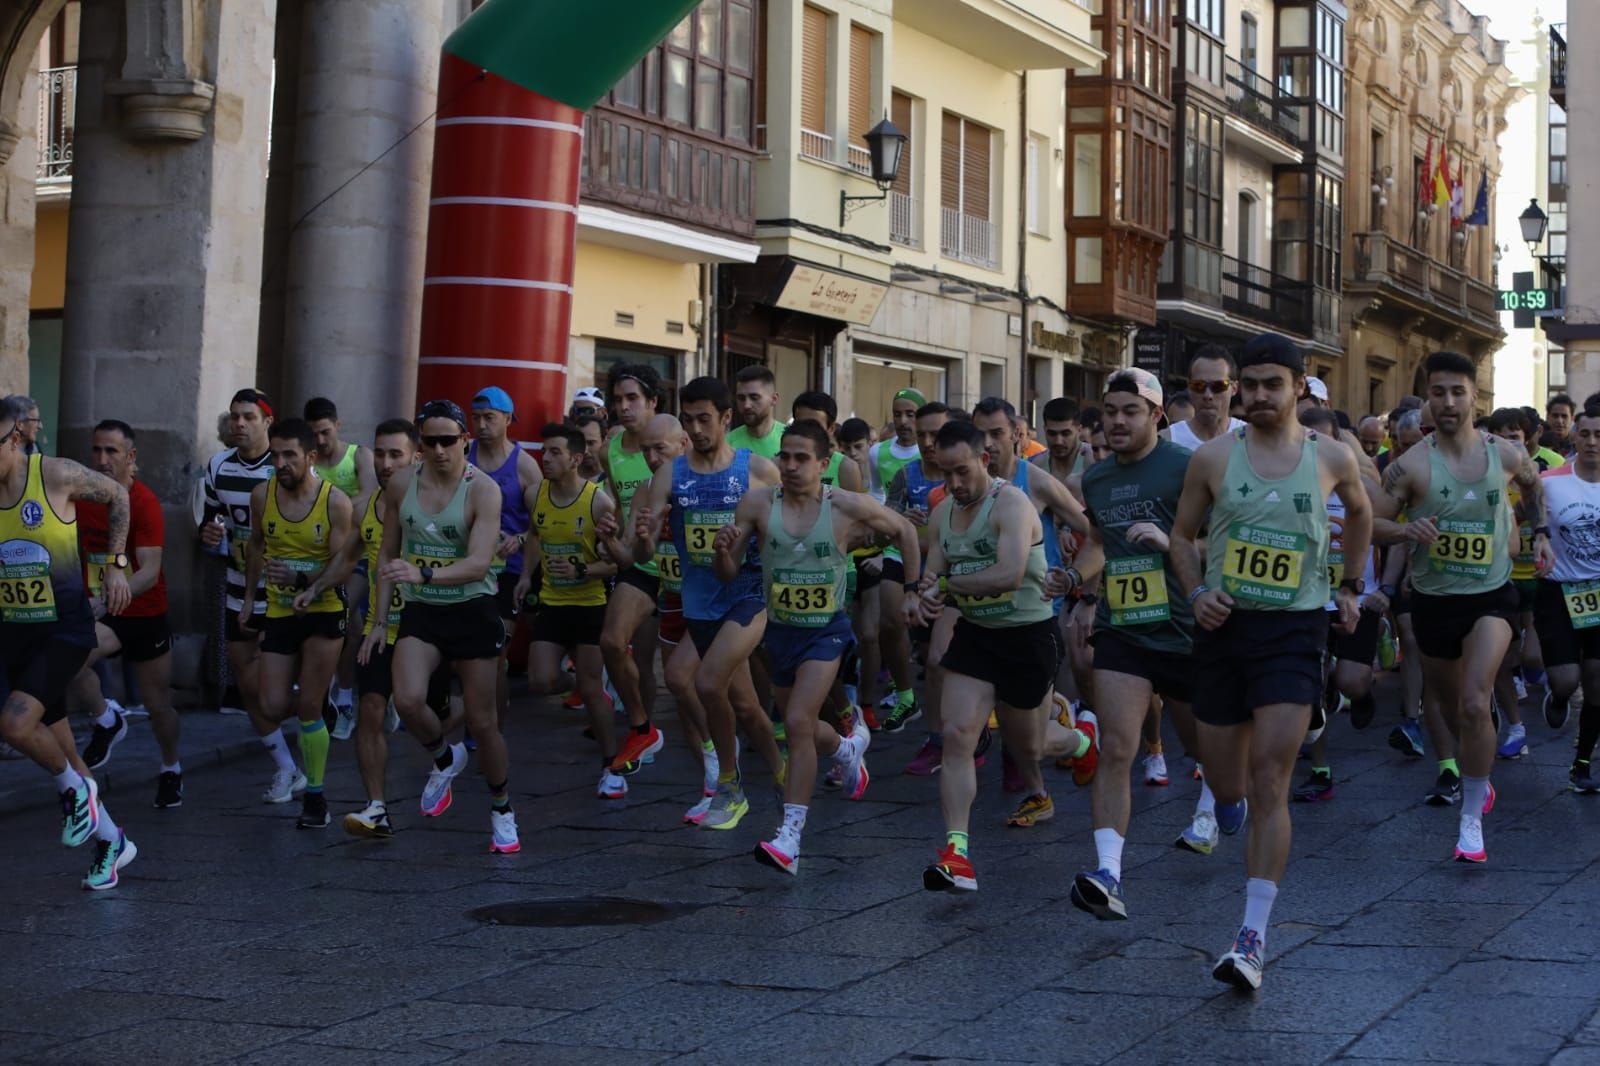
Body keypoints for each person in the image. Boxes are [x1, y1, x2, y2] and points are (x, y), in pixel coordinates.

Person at [1170, 331, 1371, 991]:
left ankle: (1252, 938)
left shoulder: (1332, 456)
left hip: (1294, 630)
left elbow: (1364, 514)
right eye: (1246, 386)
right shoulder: (1212, 458)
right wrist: (1197, 591)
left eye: (1269, 384)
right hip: (1226, 630)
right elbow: (1181, 536)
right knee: (1229, 786)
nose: (1256, 396)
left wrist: (1348, 586)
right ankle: (1224, 806)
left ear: (1299, 387)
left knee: (1271, 777)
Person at [718, 420, 917, 873]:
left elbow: (905, 531)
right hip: (780, 631)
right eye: (784, 456)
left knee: (795, 720)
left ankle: (790, 837)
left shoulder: (846, 506)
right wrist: (722, 550)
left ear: (824, 464)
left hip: (827, 630)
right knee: (806, 728)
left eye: (801, 458)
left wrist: (911, 588)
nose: (789, 465)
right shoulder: (756, 504)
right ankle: (848, 750)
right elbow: (728, 573)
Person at [1373, 351, 1545, 862]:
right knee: (1446, 706)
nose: (1448, 402)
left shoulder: (1506, 455)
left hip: (1492, 598)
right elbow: (1373, 525)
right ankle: (1476, 778)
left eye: (1457, 392)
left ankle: (1471, 816)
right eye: (1439, 392)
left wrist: (1543, 536)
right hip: (1433, 601)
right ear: (1429, 398)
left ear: (1475, 397)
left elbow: (1536, 489)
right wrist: (1405, 528)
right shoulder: (1410, 465)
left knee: (1474, 700)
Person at [1066, 369, 1211, 921]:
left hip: (1186, 628)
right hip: (1124, 626)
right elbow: (1101, 543)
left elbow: (1220, 536)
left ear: (1155, 416)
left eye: (1130, 411)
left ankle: (1223, 796)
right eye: (1110, 411)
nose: (1118, 420)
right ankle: (1108, 873)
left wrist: (1171, 540)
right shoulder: (1097, 478)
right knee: (1118, 747)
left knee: (1207, 754)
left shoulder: (1187, 467)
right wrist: (1075, 578)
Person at [626, 376, 785, 829]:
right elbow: (643, 554)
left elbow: (780, 542)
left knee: (708, 683)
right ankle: (781, 772)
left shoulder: (759, 471)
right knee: (749, 708)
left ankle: (730, 789)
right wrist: (642, 538)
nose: (696, 430)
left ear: (725, 419)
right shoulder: (668, 476)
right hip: (700, 603)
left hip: (749, 596)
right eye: (689, 419)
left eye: (704, 419)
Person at [912, 419, 1060, 892]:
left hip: (1028, 634)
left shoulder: (1010, 504)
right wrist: (924, 595)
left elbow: (1009, 574)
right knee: (957, 736)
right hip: (977, 635)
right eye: (944, 474)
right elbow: (932, 574)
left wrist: (948, 589)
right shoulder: (941, 514)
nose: (953, 484)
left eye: (961, 472)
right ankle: (957, 853)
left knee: (1030, 747)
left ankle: (1079, 741)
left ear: (984, 460)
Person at [364, 399, 516, 851]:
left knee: (484, 722)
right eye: (428, 441)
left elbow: (478, 563)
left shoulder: (484, 490)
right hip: (423, 609)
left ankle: (502, 808)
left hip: (472, 608)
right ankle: (444, 756)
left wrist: (425, 573)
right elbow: (387, 556)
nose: (438, 450)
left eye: (448, 440)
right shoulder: (402, 485)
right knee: (408, 701)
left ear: (465, 441)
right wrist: (377, 621)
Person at [0, 395, 138, 889]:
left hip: (64, 630)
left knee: (15, 725)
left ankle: (73, 792)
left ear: (14, 437)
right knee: (68, 757)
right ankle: (113, 844)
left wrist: (116, 567)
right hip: (16, 635)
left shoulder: (54, 474)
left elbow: (118, 495)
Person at [296, 419, 444, 838]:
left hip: (435, 627)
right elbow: (348, 561)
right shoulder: (365, 508)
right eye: (379, 453)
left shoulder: (438, 502)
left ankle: (457, 767)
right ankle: (376, 807)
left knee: (458, 713)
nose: (385, 462)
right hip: (384, 629)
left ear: (416, 457)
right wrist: (317, 586)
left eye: (395, 454)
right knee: (370, 710)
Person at [970, 396, 1091, 812]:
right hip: (981, 614)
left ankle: (1078, 741)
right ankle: (1035, 791)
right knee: (984, 710)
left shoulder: (1034, 480)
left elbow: (1092, 530)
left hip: (1036, 612)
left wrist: (1073, 576)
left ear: (1017, 437)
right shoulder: (964, 483)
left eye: (997, 434)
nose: (988, 443)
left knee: (1029, 736)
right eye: (980, 434)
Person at [242, 418, 353, 828]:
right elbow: (255, 545)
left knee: (306, 704)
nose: (281, 462)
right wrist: (249, 599)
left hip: (323, 610)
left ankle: (316, 799)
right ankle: (320, 708)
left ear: (311, 457)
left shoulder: (335, 503)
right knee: (270, 703)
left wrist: (308, 583)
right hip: (279, 610)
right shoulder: (261, 496)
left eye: (290, 455)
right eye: (275, 454)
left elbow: (344, 566)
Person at [70, 420, 182, 809]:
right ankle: (106, 719)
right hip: (104, 613)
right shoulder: (82, 497)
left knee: (157, 704)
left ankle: (172, 767)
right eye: (96, 450)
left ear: (130, 457)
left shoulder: (145, 502)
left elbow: (150, 571)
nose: (101, 459)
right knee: (69, 657)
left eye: (111, 451)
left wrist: (112, 593)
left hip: (143, 611)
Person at [516, 422, 626, 799]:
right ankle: (584, 685)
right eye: (544, 451)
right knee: (541, 682)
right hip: (552, 601)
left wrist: (583, 569)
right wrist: (526, 577)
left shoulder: (597, 501)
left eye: (555, 452)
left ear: (577, 458)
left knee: (594, 690)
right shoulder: (535, 494)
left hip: (591, 604)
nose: (545, 458)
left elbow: (616, 563)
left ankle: (611, 765)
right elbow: (534, 534)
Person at [1292, 406, 1385, 803]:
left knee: (1349, 681)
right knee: (1316, 686)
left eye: (1323, 438)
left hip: (1354, 596)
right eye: (1305, 437)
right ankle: (1320, 769)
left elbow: (1383, 522)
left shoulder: (1356, 481)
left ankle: (1364, 695)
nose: (1313, 446)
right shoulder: (1285, 481)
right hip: (1306, 600)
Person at [596, 365, 667, 776]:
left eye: (632, 399)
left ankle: (717, 748)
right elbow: (620, 510)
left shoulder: (675, 442)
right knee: (614, 643)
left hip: (679, 567)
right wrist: (610, 534)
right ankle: (642, 729)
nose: (623, 408)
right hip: (640, 563)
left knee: (678, 674)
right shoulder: (611, 451)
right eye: (617, 400)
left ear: (653, 402)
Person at [1530, 401, 1600, 792]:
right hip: (1558, 590)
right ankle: (1556, 697)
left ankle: (1583, 762)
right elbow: (1522, 515)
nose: (1592, 442)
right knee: (1565, 680)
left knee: (1596, 679)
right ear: (1575, 433)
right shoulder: (1551, 481)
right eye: (1586, 433)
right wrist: (1538, 537)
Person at [199, 390, 276, 729]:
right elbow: (211, 518)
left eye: (249, 417)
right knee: (248, 686)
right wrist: (209, 533)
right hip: (236, 586)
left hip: (278, 590)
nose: (240, 424)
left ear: (267, 422)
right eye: (235, 417)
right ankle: (284, 764)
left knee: (271, 688)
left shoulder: (282, 466)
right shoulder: (218, 464)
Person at [467, 385, 543, 725]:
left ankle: (491, 729)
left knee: (495, 654)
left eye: (490, 418)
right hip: (467, 566)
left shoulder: (525, 466)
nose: (482, 425)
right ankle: (475, 721)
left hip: (508, 570)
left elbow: (545, 523)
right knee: (469, 654)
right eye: (476, 418)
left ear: (508, 420)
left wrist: (522, 537)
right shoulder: (462, 457)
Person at [303, 396, 378, 739]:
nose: (320, 440)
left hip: (358, 552)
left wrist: (335, 507)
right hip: (319, 554)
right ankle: (324, 694)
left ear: (337, 425)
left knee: (350, 619)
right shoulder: (309, 461)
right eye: (313, 434)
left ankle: (345, 700)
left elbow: (371, 494)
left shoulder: (358, 456)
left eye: (325, 431)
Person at [792, 391, 864, 491]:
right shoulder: (779, 465)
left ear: (831, 428)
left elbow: (854, 506)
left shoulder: (846, 469)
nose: (806, 431)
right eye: (801, 424)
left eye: (814, 426)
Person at [727, 364, 785, 458]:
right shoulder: (728, 444)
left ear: (774, 399)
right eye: (741, 398)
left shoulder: (790, 441)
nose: (746, 405)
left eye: (754, 398)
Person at [1032, 397, 1095, 482]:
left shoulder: (1094, 459)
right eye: (1052, 434)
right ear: (1044, 430)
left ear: (1079, 430)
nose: (1058, 441)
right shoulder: (1037, 466)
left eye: (1065, 434)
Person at [575, 414, 607, 483]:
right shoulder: (563, 479)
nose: (585, 451)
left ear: (604, 441)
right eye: (580, 443)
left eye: (591, 443)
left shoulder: (614, 478)